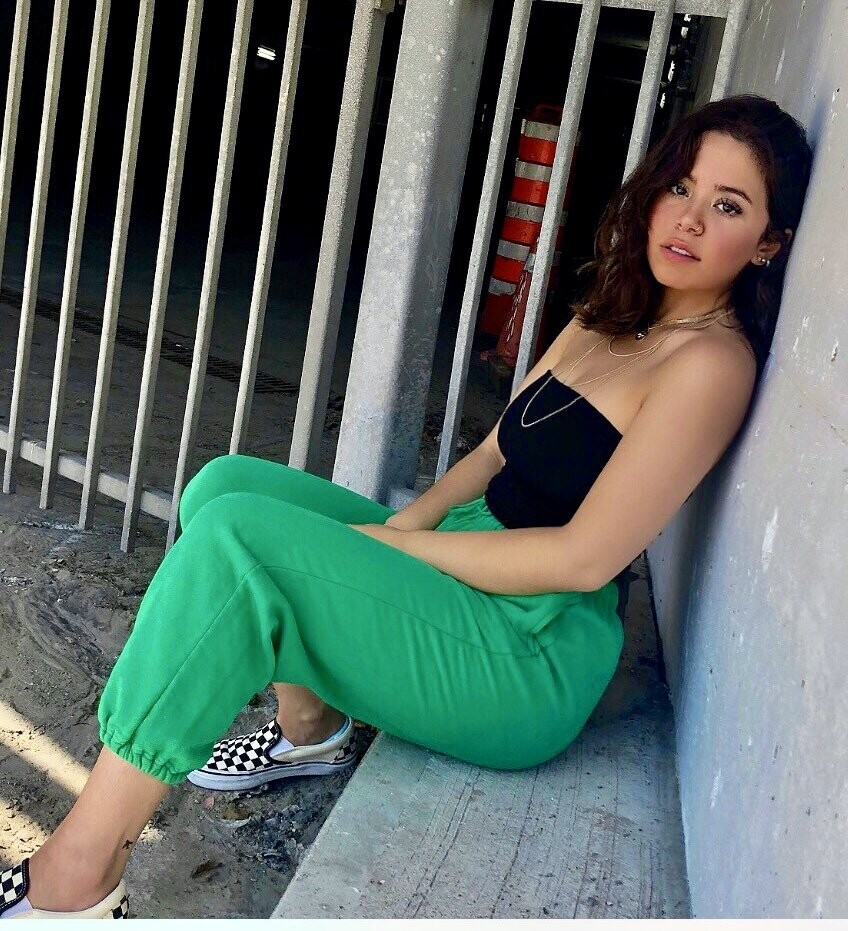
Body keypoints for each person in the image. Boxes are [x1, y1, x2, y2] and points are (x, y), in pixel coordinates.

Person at [0, 94, 812, 919]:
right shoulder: (614, 312)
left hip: (525, 644)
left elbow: (583, 558)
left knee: (239, 544)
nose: (689, 219)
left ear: (768, 243)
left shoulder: (711, 364)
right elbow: (495, 450)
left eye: (729, 206)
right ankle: (311, 731)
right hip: (467, 559)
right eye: (681, 186)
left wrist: (392, 552)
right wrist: (401, 526)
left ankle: (77, 877)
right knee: (225, 488)